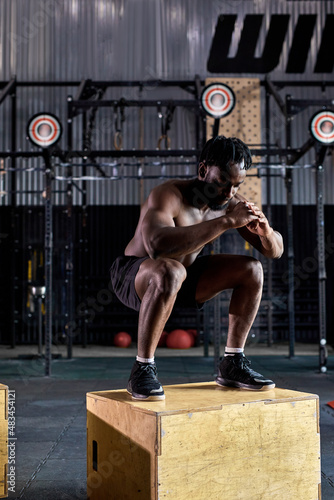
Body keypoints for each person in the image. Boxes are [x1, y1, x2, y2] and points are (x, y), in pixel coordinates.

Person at [110, 136, 284, 401]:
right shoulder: (169, 195)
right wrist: (227, 221)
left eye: (236, 185)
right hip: (135, 276)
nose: (228, 193)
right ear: (203, 171)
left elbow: (276, 251)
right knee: (170, 270)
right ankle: (142, 368)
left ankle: (232, 363)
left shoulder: (232, 202)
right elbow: (158, 246)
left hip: (182, 279)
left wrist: (266, 232)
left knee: (252, 269)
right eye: (222, 182)